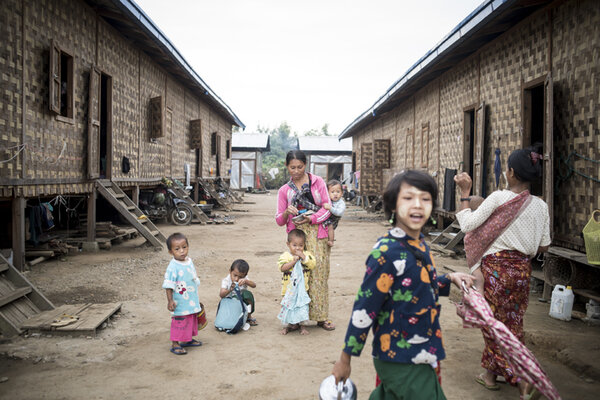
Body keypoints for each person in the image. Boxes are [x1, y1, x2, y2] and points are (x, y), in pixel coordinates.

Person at [332, 170, 474, 399]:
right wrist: (345, 359)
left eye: (425, 199)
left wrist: (449, 279)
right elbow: (365, 307)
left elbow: (413, 287)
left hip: (424, 348)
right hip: (401, 355)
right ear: (393, 205)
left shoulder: (419, 244)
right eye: (408, 198)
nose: (417, 205)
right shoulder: (387, 252)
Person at [454, 147, 551, 399]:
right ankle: (489, 375)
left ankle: (523, 381)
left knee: (494, 324)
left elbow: (466, 225)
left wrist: (465, 193)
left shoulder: (498, 198)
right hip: (522, 272)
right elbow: (544, 245)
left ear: (511, 173)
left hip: (496, 272)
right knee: (513, 323)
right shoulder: (541, 206)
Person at [276, 150, 336, 331]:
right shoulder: (284, 190)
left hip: (318, 232)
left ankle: (321, 317)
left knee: (319, 274)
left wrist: (311, 218)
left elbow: (328, 208)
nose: (296, 171)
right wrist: (287, 212)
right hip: (296, 235)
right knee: (298, 275)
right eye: (292, 167)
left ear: (306, 165)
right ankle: (297, 319)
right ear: (287, 167)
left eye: (300, 167)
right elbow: (279, 220)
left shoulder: (318, 182)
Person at [162, 232, 203, 355]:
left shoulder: (189, 261)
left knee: (190, 318)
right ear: (171, 252)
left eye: (184, 247)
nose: (182, 251)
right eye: (177, 249)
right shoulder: (173, 267)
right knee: (180, 321)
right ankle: (175, 343)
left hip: (190, 298)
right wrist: (170, 301)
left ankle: (187, 339)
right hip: (179, 301)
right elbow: (168, 285)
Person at [278, 229, 316, 335]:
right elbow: (282, 268)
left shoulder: (307, 254)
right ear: (288, 244)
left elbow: (312, 264)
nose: (298, 248)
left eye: (301, 245)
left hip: (302, 289)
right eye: (294, 245)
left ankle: (302, 326)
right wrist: (293, 261)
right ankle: (288, 326)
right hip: (288, 290)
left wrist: (303, 257)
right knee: (288, 307)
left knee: (302, 307)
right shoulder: (285, 256)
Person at [219, 259, 257, 326]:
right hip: (230, 302)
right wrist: (230, 289)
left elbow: (254, 285)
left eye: (240, 277)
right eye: (235, 275)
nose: (237, 279)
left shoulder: (244, 279)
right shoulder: (226, 281)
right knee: (236, 298)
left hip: (242, 300)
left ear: (245, 275)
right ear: (230, 271)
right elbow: (221, 295)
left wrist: (246, 281)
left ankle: (248, 316)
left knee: (248, 295)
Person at [322, 179, 346, 247]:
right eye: (332, 192)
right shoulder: (328, 200)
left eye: (338, 192)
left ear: (342, 193)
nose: (335, 194)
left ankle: (331, 240)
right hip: (327, 217)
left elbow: (339, 213)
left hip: (334, 219)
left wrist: (330, 208)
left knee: (330, 226)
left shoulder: (341, 203)